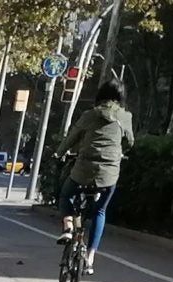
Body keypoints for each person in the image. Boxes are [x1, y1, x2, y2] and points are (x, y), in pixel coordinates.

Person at [61, 75, 133, 271]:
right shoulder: (125, 117)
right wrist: (119, 153)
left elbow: (72, 138)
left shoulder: (89, 115)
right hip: (109, 174)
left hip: (83, 169)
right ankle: (91, 256)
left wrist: (59, 153)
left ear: (101, 94)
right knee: (100, 211)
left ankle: (68, 227)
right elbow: (130, 142)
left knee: (67, 195)